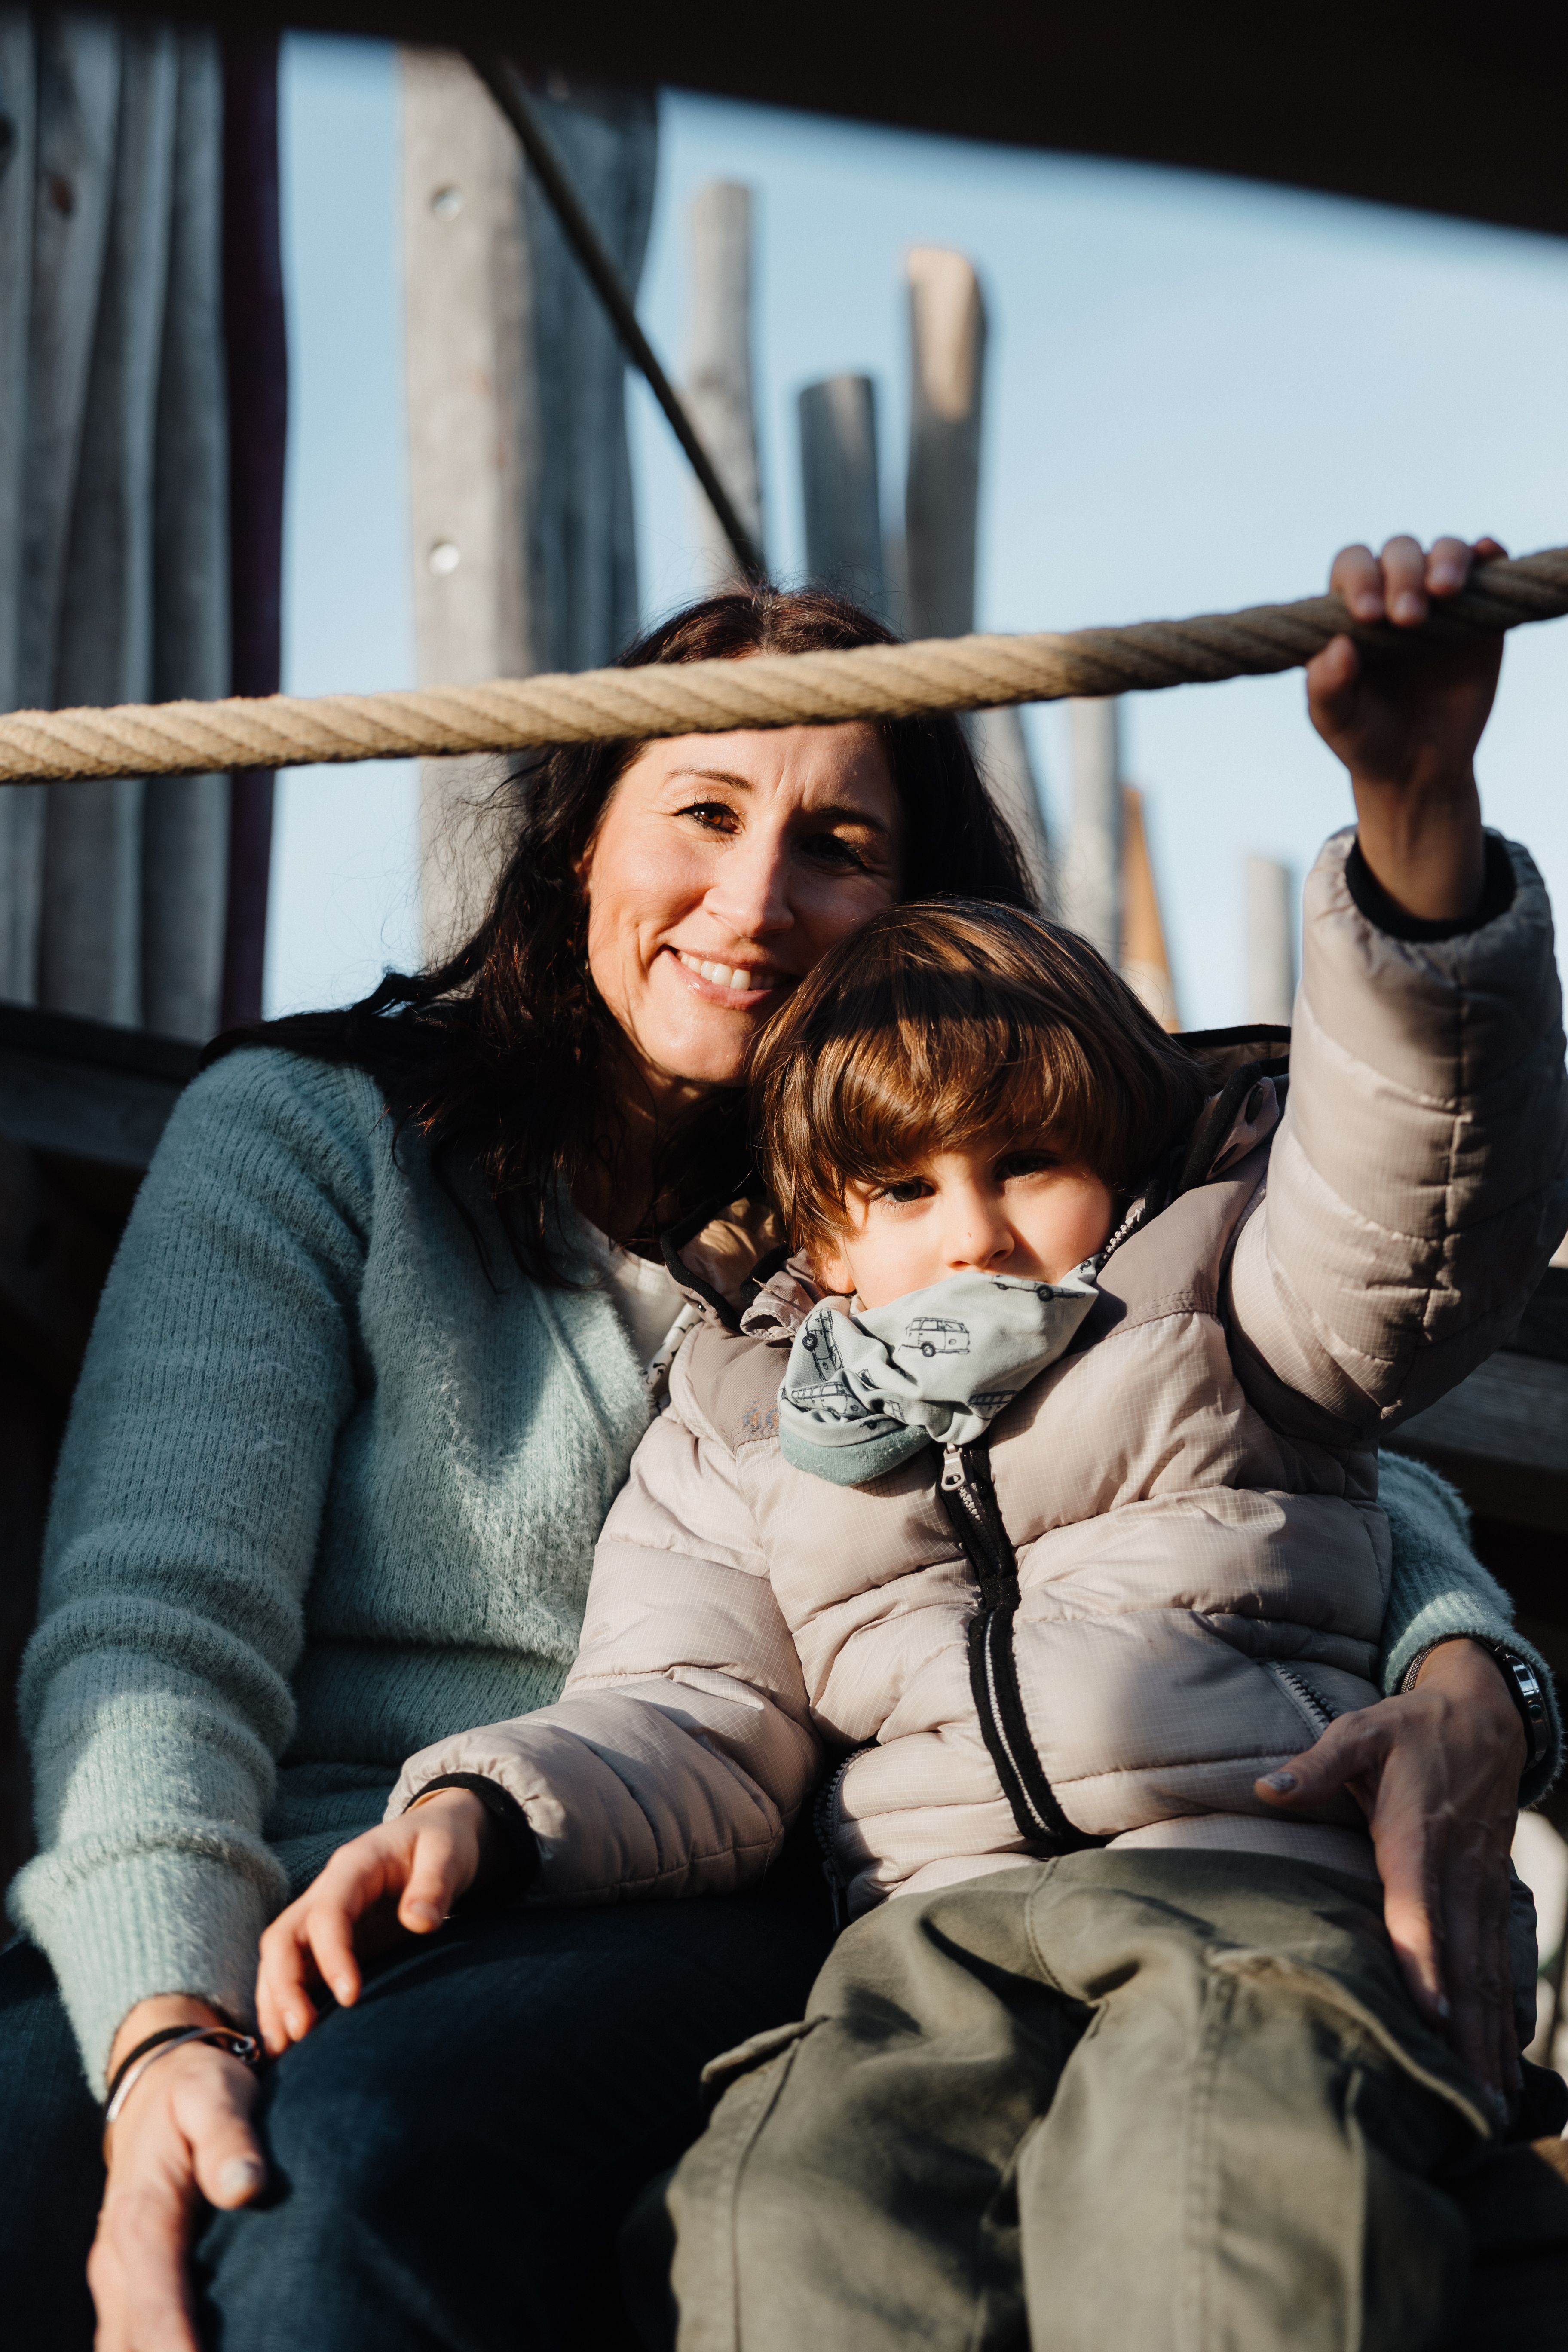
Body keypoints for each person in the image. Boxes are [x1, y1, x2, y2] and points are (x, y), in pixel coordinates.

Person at [0, 554, 1543, 2352]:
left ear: (914, 910)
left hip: (699, 1885)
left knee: (348, 2174)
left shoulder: (950, 1228)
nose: (753, 898)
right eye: (705, 810)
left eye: (839, 846)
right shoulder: (319, 1145)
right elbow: (153, 1636)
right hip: (302, 1867)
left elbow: (1278, 1438)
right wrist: (164, 2019)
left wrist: (1468, 1666)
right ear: (583, 836)